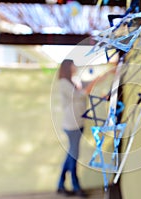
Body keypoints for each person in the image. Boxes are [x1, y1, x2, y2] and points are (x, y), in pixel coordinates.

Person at [57, 59, 90, 197]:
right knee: (73, 156)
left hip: (77, 123)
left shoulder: (71, 81)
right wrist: (97, 81)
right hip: (72, 125)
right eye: (73, 64)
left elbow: (83, 87)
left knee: (71, 155)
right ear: (67, 67)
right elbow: (80, 95)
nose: (75, 66)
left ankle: (60, 185)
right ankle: (76, 187)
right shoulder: (64, 83)